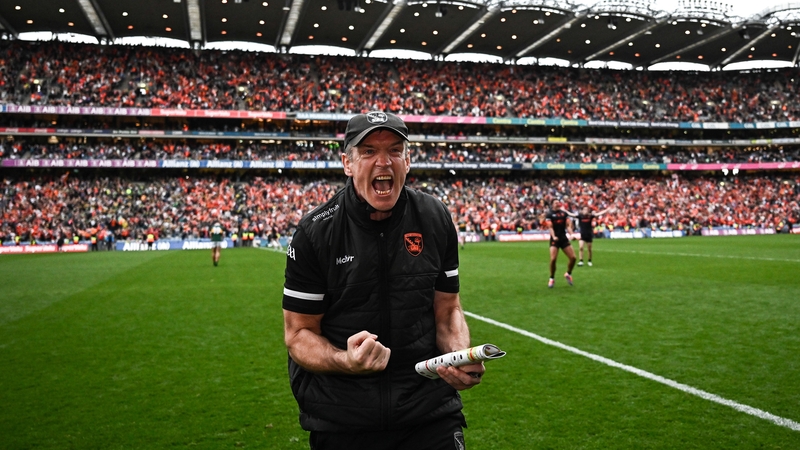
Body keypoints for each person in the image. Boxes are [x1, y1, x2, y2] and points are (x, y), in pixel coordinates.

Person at [282, 111, 483, 450]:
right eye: (369, 151)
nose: (383, 162)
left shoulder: (434, 217)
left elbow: (448, 310)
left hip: (428, 412)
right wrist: (344, 361)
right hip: (344, 420)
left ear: (408, 159)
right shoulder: (315, 233)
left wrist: (459, 355)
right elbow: (299, 334)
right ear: (347, 162)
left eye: (393, 150)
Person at [545, 199, 576, 288]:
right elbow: (550, 227)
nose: (558, 204)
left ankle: (568, 274)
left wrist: (572, 234)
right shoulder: (549, 214)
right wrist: (554, 236)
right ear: (552, 205)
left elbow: (567, 226)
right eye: (556, 203)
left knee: (573, 258)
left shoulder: (563, 213)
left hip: (563, 238)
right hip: (555, 239)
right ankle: (552, 278)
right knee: (553, 259)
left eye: (558, 202)